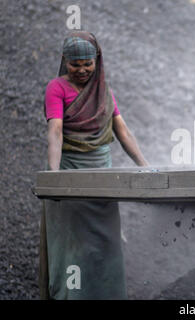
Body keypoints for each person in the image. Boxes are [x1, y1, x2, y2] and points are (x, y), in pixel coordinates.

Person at [39, 31, 149, 299]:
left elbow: (122, 130)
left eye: (87, 64)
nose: (82, 70)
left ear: (96, 61)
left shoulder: (103, 90)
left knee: (105, 242)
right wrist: (55, 177)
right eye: (75, 64)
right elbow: (55, 131)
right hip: (71, 174)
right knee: (73, 243)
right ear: (65, 61)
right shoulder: (57, 88)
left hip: (102, 177)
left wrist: (145, 166)